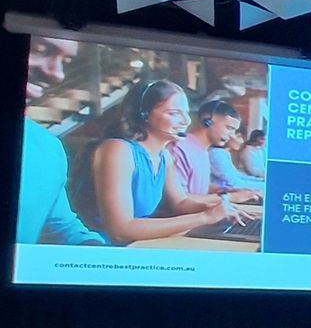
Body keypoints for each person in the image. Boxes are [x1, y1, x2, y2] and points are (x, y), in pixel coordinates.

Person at [67, 77, 225, 246]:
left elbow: (180, 202)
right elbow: (120, 231)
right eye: (174, 113)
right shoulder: (117, 150)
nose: (186, 121)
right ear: (144, 115)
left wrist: (222, 207)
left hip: (135, 246)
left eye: (186, 112)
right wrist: (205, 217)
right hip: (96, 250)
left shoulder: (164, 155)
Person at [16, 35, 104, 245]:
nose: (57, 74)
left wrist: (95, 251)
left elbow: (61, 225)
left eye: (65, 62)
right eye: (40, 49)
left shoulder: (48, 147)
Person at [170, 92, 263, 215]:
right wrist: (231, 198)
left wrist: (225, 191)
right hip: (184, 221)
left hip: (198, 217)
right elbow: (180, 199)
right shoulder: (179, 148)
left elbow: (197, 189)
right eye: (229, 128)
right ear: (208, 121)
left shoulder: (202, 150)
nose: (231, 135)